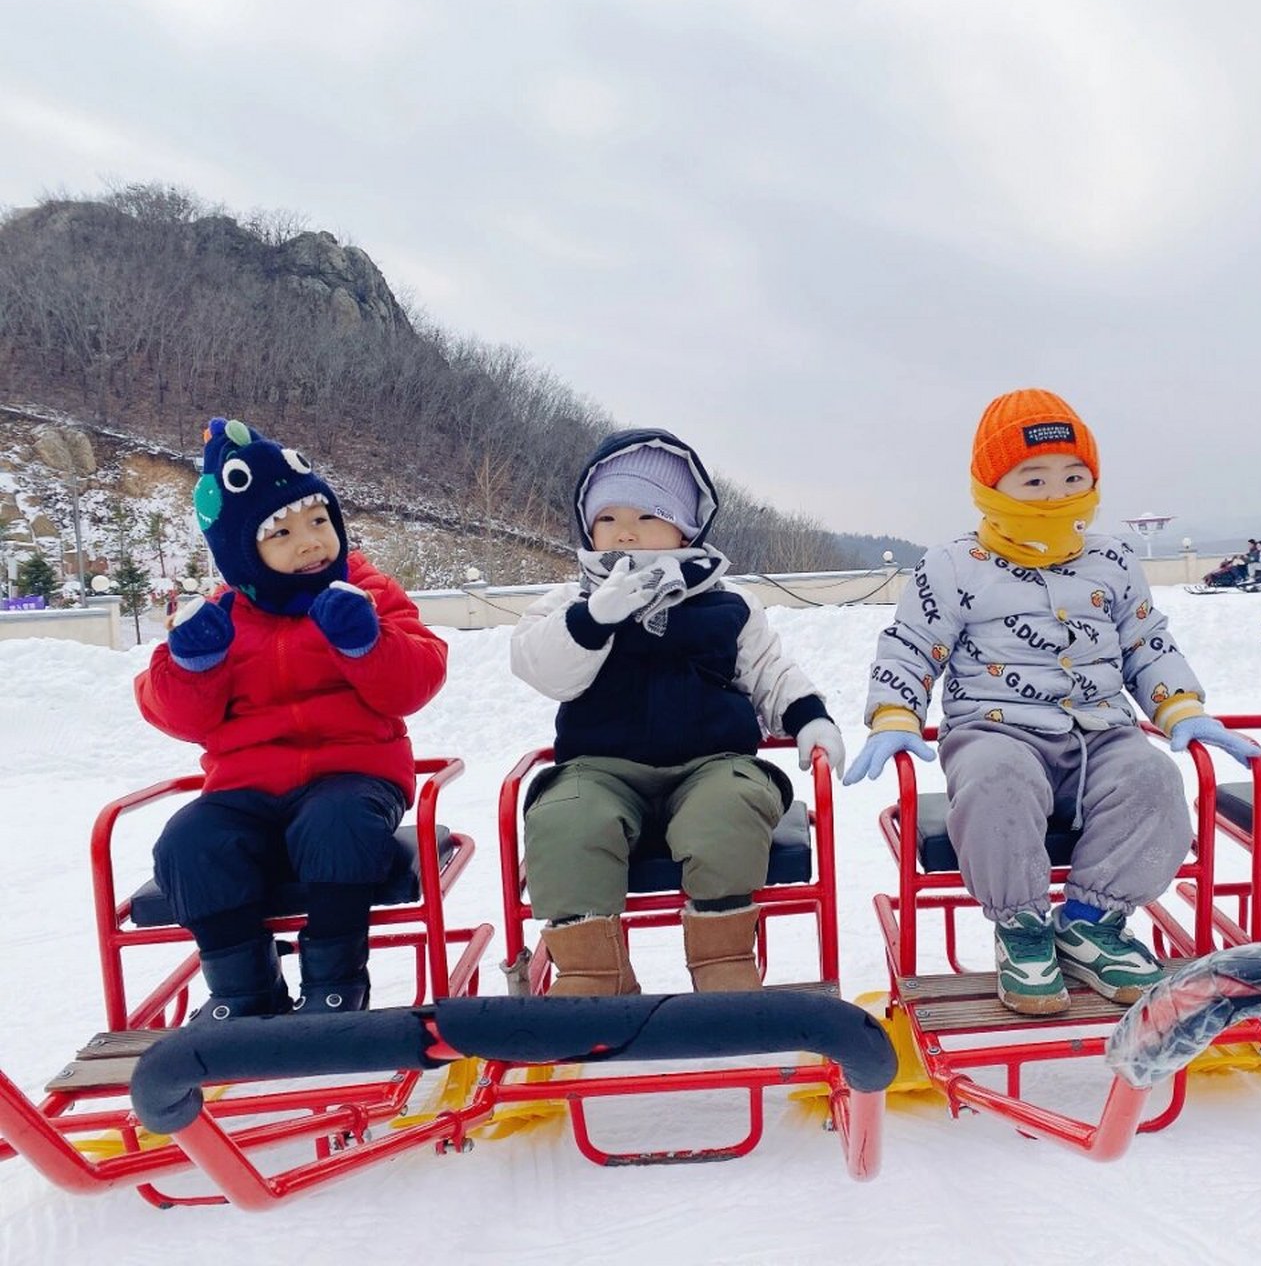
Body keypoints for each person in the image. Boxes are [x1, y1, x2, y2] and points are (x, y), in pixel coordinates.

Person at [844, 389, 1255, 1016]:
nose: (1055, 493)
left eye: (1073, 476)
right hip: (996, 731)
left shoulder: (1112, 559)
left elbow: (1145, 640)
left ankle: (1091, 923)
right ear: (992, 484)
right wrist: (896, 715)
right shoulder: (955, 565)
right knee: (995, 785)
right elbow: (912, 642)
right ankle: (1024, 929)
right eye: (1033, 479)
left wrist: (1182, 708)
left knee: (1154, 781)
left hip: (1102, 734)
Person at [510, 429, 844, 996]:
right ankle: (594, 973)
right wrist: (595, 618)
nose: (626, 531)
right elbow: (540, 667)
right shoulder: (569, 604)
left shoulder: (726, 604)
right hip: (600, 767)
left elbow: (769, 671)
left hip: (711, 762)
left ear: (687, 526)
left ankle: (724, 962)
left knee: (729, 810)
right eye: (608, 517)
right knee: (565, 820)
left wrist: (808, 715)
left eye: (648, 515)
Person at [136, 418, 449, 1018]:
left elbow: (417, 681)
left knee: (336, 823)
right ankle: (242, 991)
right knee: (189, 840)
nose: (309, 542)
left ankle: (336, 983)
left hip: (354, 776)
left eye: (318, 521)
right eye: (280, 532)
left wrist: (366, 642)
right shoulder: (223, 615)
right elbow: (176, 715)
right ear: (239, 550)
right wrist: (191, 664)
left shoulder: (367, 593)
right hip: (245, 790)